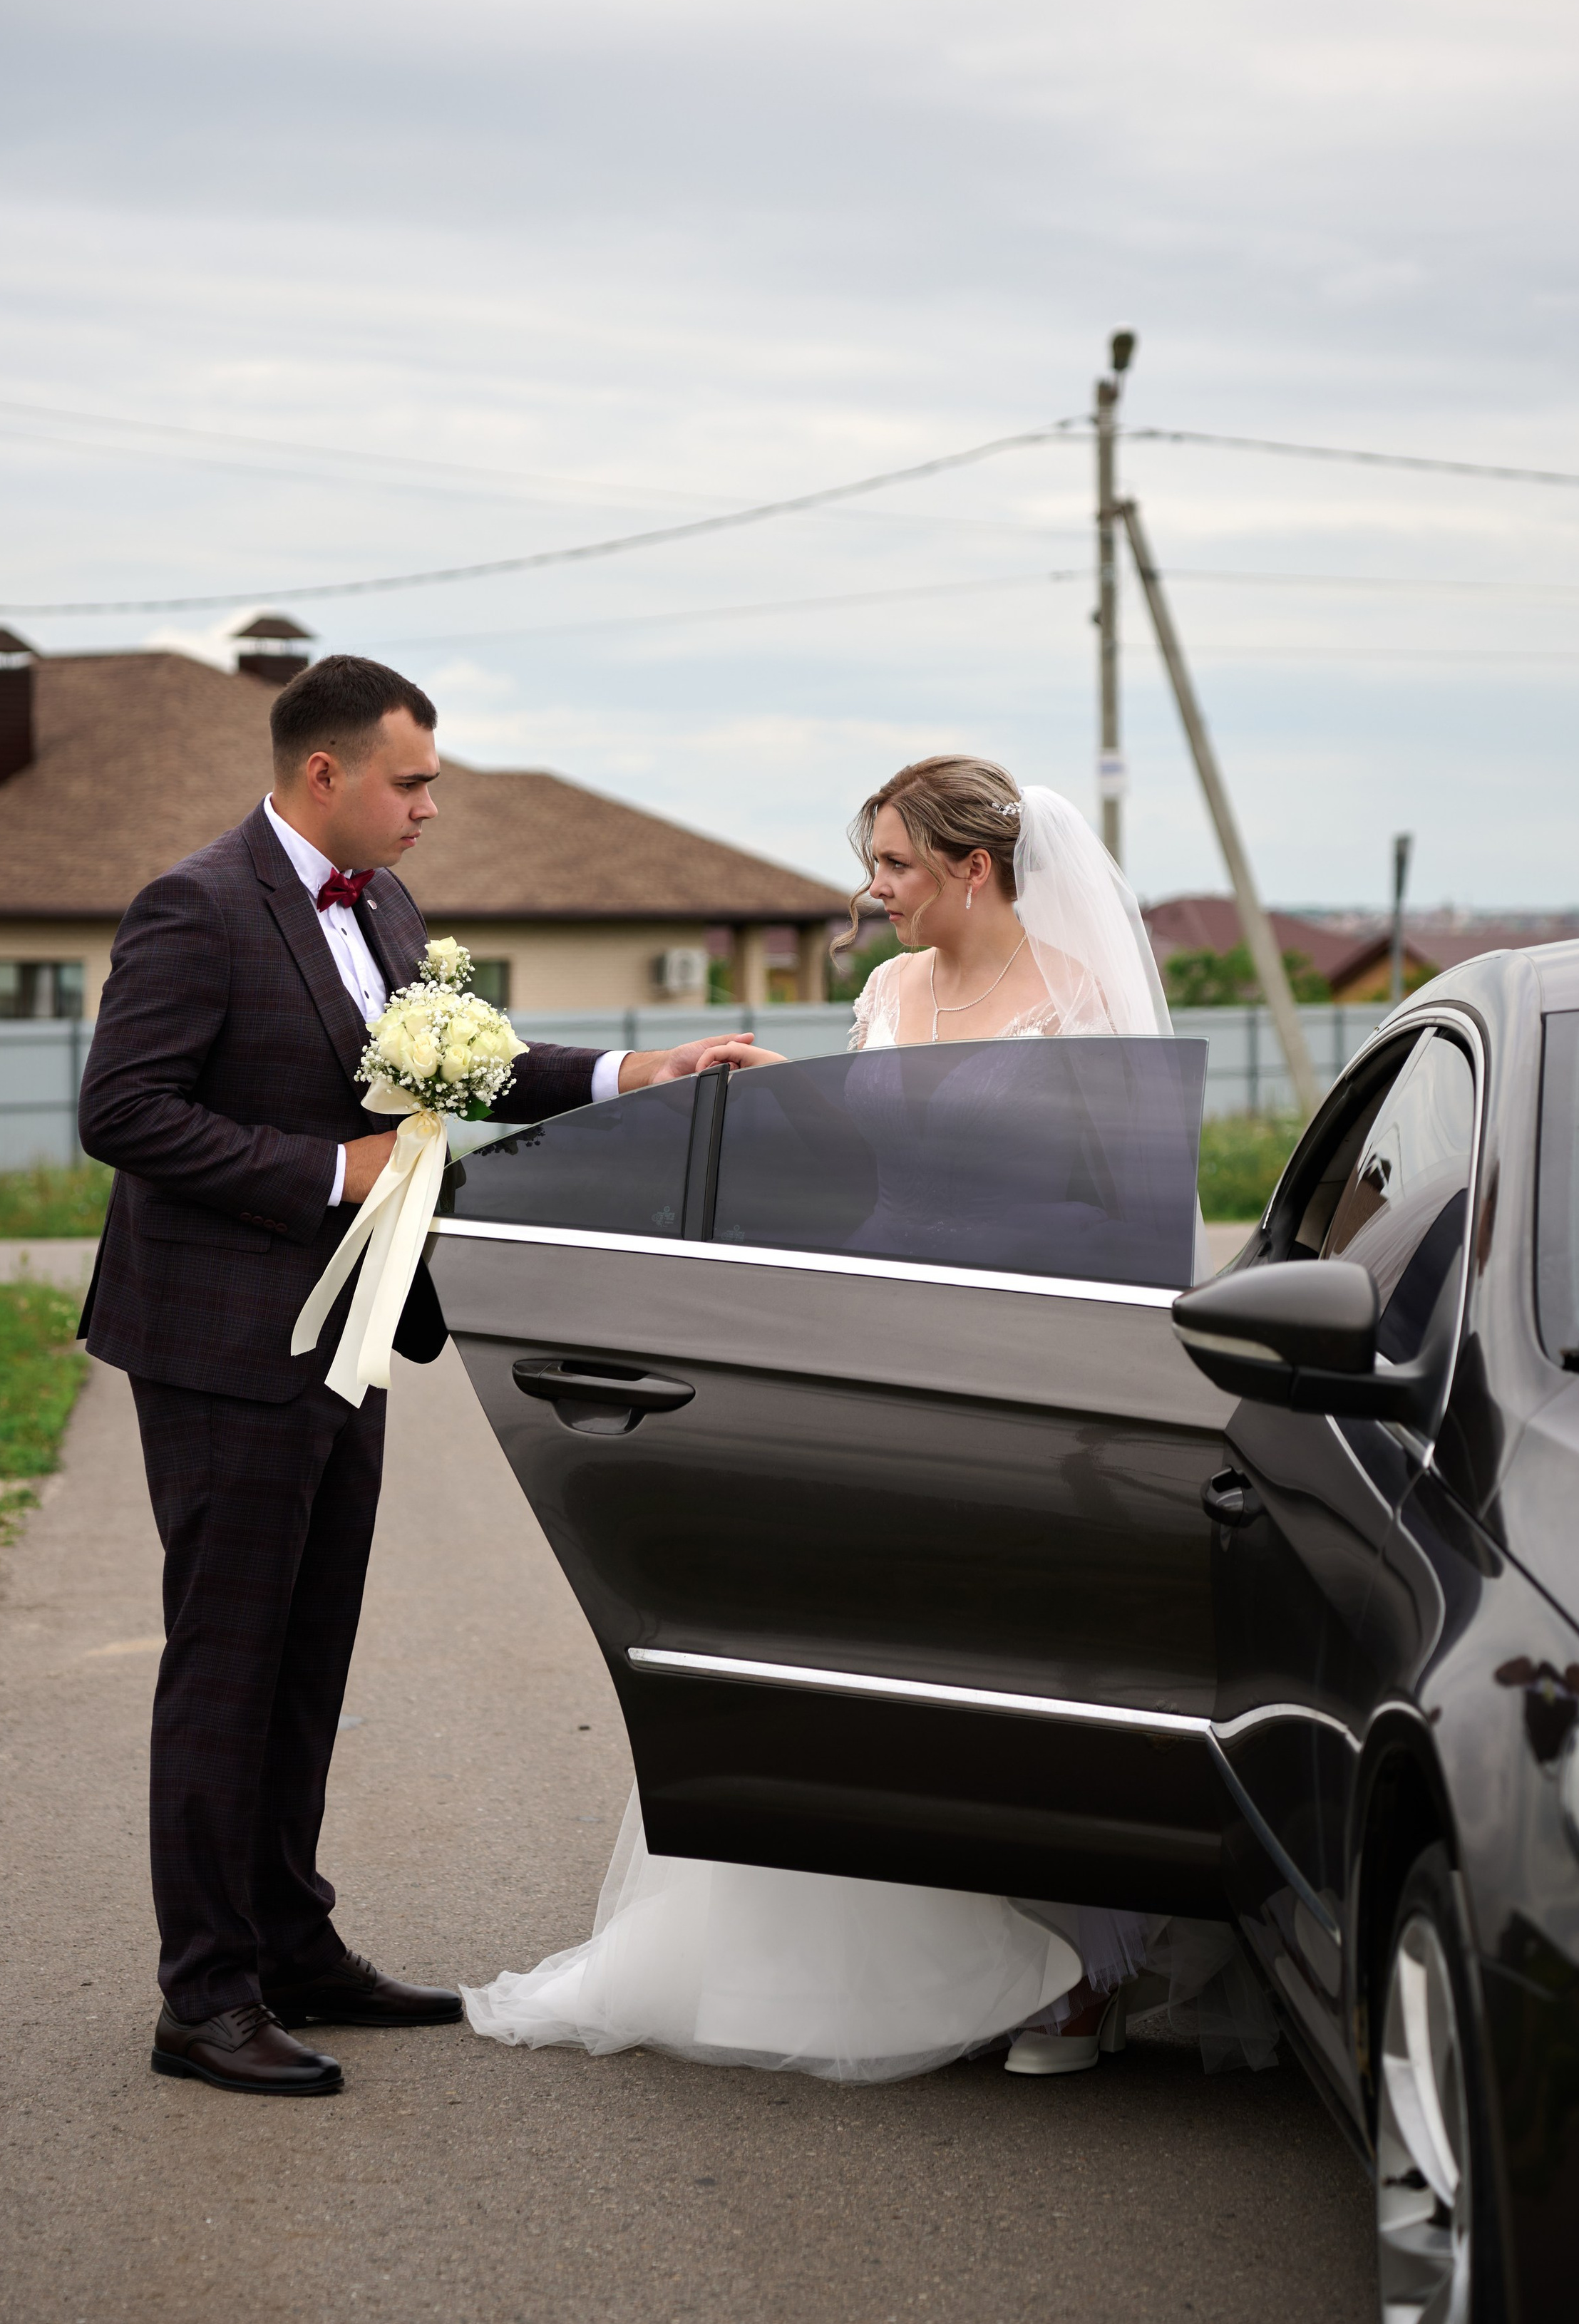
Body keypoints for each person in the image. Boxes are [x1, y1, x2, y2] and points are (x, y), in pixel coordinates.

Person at [463, 756, 1272, 2082]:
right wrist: (779, 1106)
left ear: (973, 868)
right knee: (855, 1639)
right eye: (874, 863)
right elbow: (856, 1168)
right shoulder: (886, 993)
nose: (873, 890)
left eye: (896, 865)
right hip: (871, 1359)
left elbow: (1138, 1214)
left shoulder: (1084, 1004)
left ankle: (1073, 1973)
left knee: (1019, 1652)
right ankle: (843, 1960)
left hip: (1023, 1368)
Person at [77, 652, 759, 2100]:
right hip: (218, 1346)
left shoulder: (381, 907)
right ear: (325, 773)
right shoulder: (194, 908)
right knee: (226, 1668)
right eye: (412, 780)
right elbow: (123, 1111)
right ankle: (201, 1999)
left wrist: (638, 1073)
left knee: (307, 1656)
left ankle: (289, 1941)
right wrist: (336, 1167)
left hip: (354, 1333)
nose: (430, 807)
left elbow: (462, 1067)